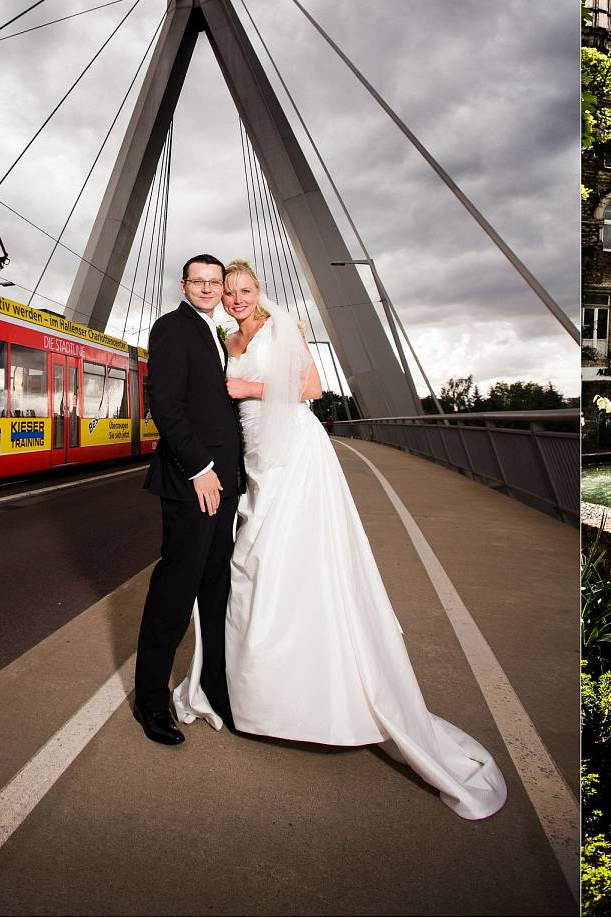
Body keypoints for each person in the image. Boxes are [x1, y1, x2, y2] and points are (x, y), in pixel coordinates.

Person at [172, 259, 507, 821]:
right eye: (227, 292)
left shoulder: (284, 326)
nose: (234, 298)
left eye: (243, 290)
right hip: (254, 460)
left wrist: (243, 386)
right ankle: (258, 699)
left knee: (295, 566)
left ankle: (314, 700)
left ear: (259, 291)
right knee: (252, 572)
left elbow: (312, 387)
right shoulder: (225, 337)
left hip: (296, 456)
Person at [130, 254, 242, 747]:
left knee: (217, 593)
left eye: (214, 282)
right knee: (173, 596)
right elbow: (166, 406)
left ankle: (215, 689)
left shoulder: (213, 332)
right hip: (193, 483)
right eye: (198, 281)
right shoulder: (172, 328)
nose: (207, 288)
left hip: (226, 482)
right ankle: (150, 702)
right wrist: (199, 469)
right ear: (184, 284)